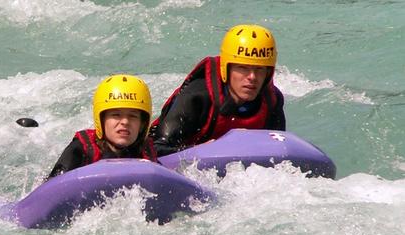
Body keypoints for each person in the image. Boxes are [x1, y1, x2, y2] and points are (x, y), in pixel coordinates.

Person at [150, 24, 285, 156]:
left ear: (268, 73)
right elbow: (157, 149)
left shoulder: (271, 100)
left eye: (259, 69)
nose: (252, 77)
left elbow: (279, 151)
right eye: (243, 68)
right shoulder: (197, 97)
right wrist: (198, 151)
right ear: (226, 68)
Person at [46, 74, 158, 180]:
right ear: (101, 120)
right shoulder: (81, 148)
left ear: (143, 124)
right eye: (116, 115)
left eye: (133, 116)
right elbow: (52, 188)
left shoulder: (147, 150)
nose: (125, 121)